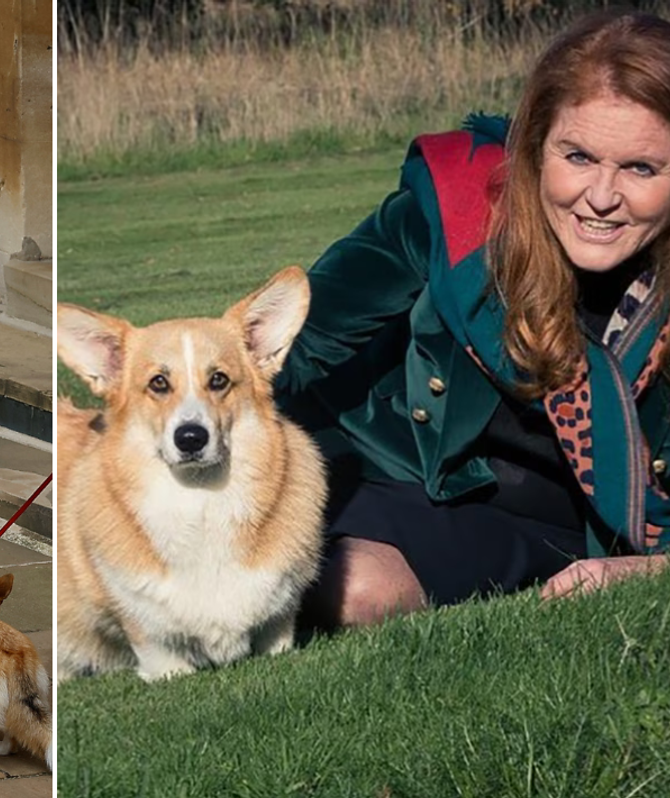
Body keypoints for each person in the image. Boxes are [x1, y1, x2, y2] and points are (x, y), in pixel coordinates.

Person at [276, 10, 670, 632]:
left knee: (350, 589)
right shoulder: (456, 208)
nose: (600, 196)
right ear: (535, 145)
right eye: (578, 156)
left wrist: (645, 571)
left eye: (641, 168)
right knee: (313, 575)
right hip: (402, 474)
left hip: (566, 521)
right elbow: (292, 344)